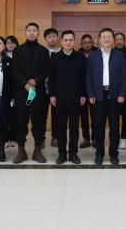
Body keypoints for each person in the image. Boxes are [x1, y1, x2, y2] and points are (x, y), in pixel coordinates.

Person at [11, 22, 51, 163]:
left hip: (39, 92)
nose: (32, 32)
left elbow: (47, 70)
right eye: (29, 30)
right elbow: (14, 70)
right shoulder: (17, 50)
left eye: (34, 30)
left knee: (39, 122)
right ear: (25, 32)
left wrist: (36, 80)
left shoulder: (44, 51)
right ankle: (21, 150)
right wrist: (25, 84)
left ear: (38, 33)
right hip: (22, 92)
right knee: (20, 122)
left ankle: (37, 150)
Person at [86, 27, 126, 166]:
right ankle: (99, 154)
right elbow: (88, 77)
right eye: (104, 37)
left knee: (114, 128)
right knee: (98, 127)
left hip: (115, 96)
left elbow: (124, 77)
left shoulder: (119, 56)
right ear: (99, 39)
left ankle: (114, 155)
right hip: (98, 96)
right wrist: (91, 94)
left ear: (113, 39)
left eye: (109, 36)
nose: (106, 39)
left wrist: (122, 93)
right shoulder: (93, 56)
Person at [50, 30, 87, 164]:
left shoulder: (80, 57)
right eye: (65, 40)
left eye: (70, 40)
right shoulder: (55, 57)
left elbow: (84, 77)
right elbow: (51, 78)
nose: (68, 42)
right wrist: (52, 95)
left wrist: (84, 94)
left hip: (76, 98)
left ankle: (73, 153)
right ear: (61, 41)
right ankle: (61, 154)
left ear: (74, 41)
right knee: (60, 127)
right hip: (59, 98)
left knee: (74, 128)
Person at [114, 32, 126, 151]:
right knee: (114, 116)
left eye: (121, 39)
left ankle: (124, 138)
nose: (119, 41)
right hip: (114, 90)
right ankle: (115, 139)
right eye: (117, 39)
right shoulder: (111, 53)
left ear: (124, 41)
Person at [44, 27, 61, 148]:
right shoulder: (42, 52)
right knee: (41, 115)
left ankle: (55, 137)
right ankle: (41, 139)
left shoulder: (62, 51)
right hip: (42, 88)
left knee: (57, 115)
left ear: (57, 37)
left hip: (58, 89)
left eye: (54, 36)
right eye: (49, 37)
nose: (52, 38)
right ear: (46, 39)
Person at [78, 33, 96, 149]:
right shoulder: (77, 55)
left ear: (92, 43)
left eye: (89, 42)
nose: (87, 44)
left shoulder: (98, 54)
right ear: (81, 44)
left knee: (95, 116)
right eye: (84, 42)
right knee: (83, 117)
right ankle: (86, 139)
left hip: (95, 91)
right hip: (81, 91)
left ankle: (95, 138)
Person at [3, 35, 19, 148]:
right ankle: (5, 139)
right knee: (4, 115)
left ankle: (14, 138)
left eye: (13, 42)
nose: (11, 44)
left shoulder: (20, 55)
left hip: (17, 90)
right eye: (8, 42)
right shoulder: (0, 56)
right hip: (4, 90)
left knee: (15, 115)